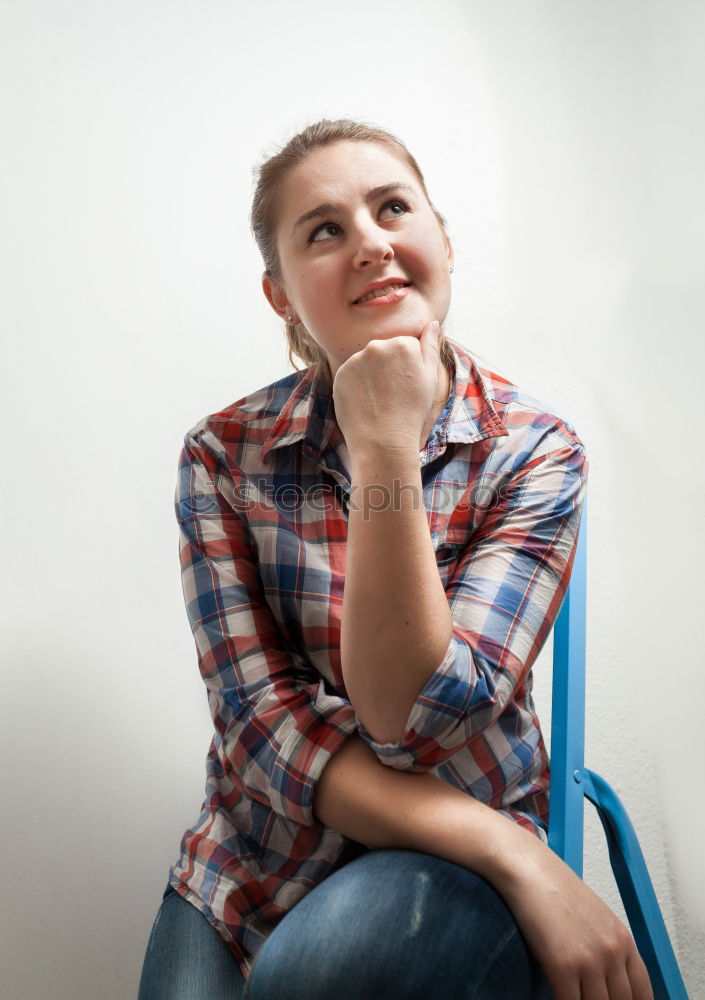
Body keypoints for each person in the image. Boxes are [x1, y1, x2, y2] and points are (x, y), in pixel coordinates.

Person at [137, 118, 654, 1000]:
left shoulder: (534, 453)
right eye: (325, 230)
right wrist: (516, 857)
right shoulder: (224, 455)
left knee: (329, 974)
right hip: (253, 866)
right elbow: (262, 727)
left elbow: (412, 720)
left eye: (391, 208)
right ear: (281, 295)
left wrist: (381, 449)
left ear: (441, 240)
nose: (370, 243)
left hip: (446, 866)